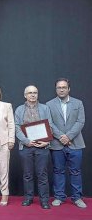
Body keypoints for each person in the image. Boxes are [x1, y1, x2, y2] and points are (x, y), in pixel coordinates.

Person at [47, 78, 87, 208]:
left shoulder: (78, 103)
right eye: (59, 87)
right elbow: (50, 123)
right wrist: (61, 137)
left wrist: (68, 136)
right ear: (56, 89)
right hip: (57, 144)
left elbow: (80, 122)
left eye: (64, 87)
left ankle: (77, 197)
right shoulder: (49, 104)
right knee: (58, 171)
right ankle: (59, 197)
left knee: (75, 171)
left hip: (75, 144)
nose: (61, 89)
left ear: (68, 89)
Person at [15, 85, 52, 209]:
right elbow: (17, 128)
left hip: (42, 146)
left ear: (37, 94)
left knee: (42, 174)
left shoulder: (45, 108)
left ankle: (44, 200)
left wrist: (47, 142)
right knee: (27, 174)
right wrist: (26, 141)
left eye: (35, 92)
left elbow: (50, 125)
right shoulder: (19, 110)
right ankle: (28, 198)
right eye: (30, 93)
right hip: (26, 147)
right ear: (25, 95)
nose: (32, 95)